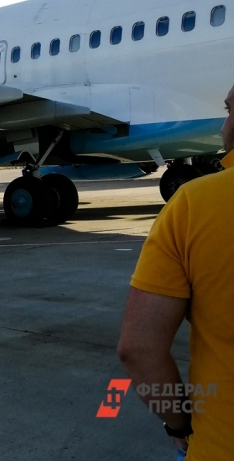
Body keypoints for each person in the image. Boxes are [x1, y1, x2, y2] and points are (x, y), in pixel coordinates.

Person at [118, 82, 234, 460]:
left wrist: (179, 424)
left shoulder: (194, 205)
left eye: (229, 112)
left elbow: (138, 349)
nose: (222, 126)